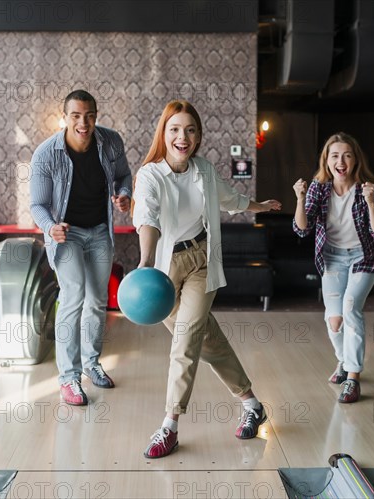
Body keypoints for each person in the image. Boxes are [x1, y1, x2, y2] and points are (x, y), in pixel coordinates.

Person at [132, 99, 282, 459]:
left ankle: (169, 426)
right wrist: (147, 263)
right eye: (174, 129)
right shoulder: (149, 175)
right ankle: (251, 404)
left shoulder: (205, 170)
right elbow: (147, 218)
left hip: (201, 261)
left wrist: (258, 206)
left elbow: (230, 199)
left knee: (185, 341)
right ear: (164, 134)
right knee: (205, 339)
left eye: (190, 129)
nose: (182, 137)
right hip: (163, 269)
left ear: (198, 136)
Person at [30, 89, 132, 406]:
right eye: (76, 116)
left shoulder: (111, 141)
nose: (83, 123)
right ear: (66, 117)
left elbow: (124, 175)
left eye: (89, 115)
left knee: (98, 300)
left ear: (96, 115)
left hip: (100, 230)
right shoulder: (46, 154)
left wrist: (124, 193)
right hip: (67, 234)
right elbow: (38, 204)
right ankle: (68, 379)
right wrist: (51, 227)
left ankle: (91, 364)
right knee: (73, 296)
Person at [293, 132, 374, 404]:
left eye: (347, 155)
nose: (341, 160)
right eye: (335, 155)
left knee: (350, 307)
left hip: (364, 258)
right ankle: (343, 361)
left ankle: (353, 378)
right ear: (327, 160)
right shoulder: (318, 189)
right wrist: (299, 199)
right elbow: (302, 229)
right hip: (332, 258)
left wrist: (370, 202)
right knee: (334, 321)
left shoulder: (369, 189)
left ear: (355, 159)